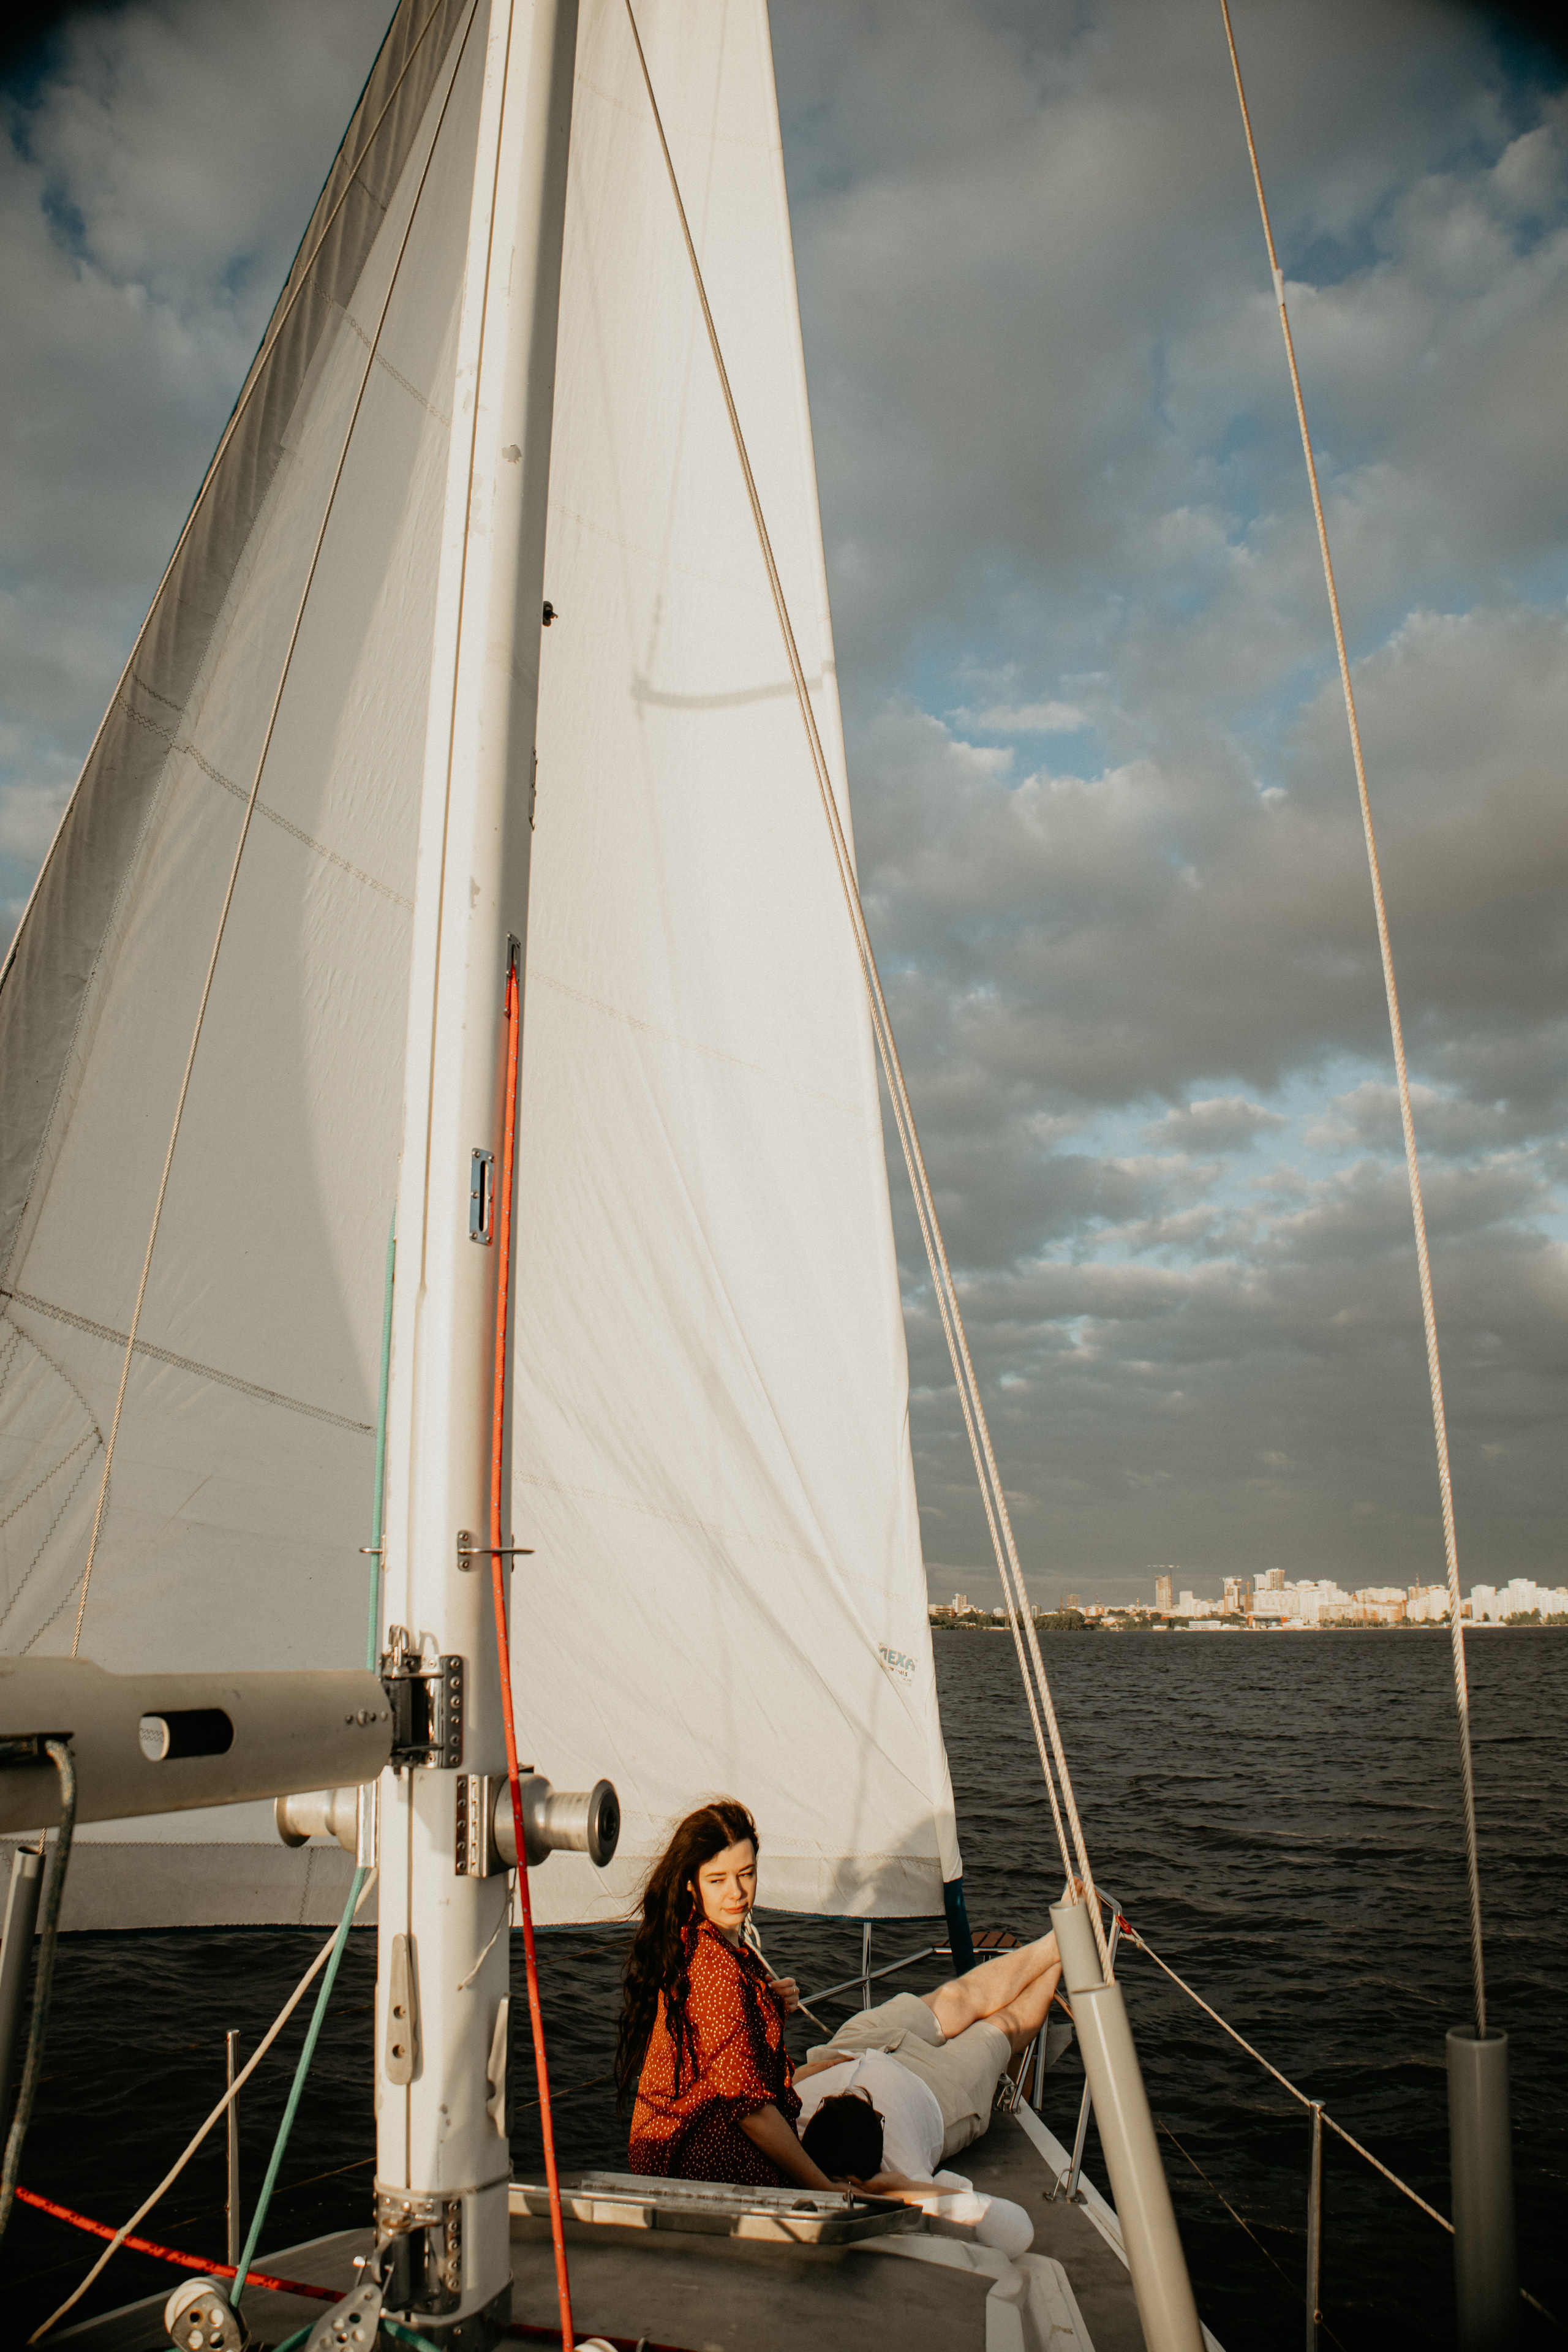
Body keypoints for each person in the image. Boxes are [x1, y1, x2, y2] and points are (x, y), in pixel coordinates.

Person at [617, 1798, 836, 2190]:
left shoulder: (705, 1938)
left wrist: (767, 2001)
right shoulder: (712, 1963)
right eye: (717, 1880)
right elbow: (749, 2110)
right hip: (702, 2159)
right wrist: (825, 2189)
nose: (736, 1893)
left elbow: (717, 2039)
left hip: (697, 2140)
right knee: (860, 2175)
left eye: (746, 1874)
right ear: (691, 1883)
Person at [794, 1921, 1067, 2172]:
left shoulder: (770, 2139)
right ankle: (1067, 1947)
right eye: (879, 2117)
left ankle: (1055, 1941)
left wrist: (806, 2073)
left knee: (956, 1998)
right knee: (1000, 2031)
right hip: (934, 2092)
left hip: (846, 2051)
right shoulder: (905, 2172)